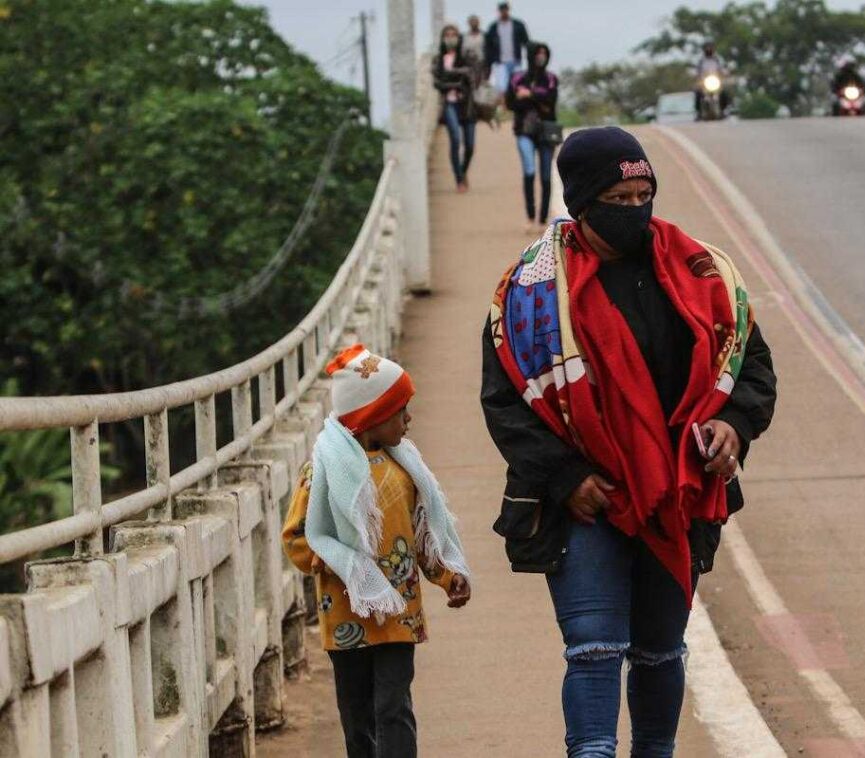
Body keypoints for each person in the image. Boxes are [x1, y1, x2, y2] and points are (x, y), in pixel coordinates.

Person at [480, 127, 777, 757]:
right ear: (582, 202)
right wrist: (566, 479)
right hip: (586, 500)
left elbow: (750, 366)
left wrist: (736, 426)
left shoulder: (704, 274)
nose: (634, 210)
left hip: (678, 496)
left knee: (661, 653)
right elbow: (506, 404)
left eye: (644, 194)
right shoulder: (529, 294)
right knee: (592, 649)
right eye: (617, 198)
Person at [282, 344, 471, 757]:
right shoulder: (322, 471)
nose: (408, 419)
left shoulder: (405, 467)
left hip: (400, 613)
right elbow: (298, 537)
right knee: (357, 716)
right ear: (371, 415)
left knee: (394, 707)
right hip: (346, 613)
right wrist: (344, 566)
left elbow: (424, 533)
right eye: (400, 410)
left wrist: (447, 575)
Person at [506, 42, 558, 233]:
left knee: (546, 176)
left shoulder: (551, 78)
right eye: (538, 53)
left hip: (546, 131)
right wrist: (536, 99)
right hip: (523, 130)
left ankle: (543, 219)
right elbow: (511, 103)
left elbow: (551, 102)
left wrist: (529, 95)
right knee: (529, 172)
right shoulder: (517, 77)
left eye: (544, 53)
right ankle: (529, 216)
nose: (541, 57)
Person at [433, 25, 476, 192]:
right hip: (449, 103)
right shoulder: (439, 60)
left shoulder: (466, 56)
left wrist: (451, 78)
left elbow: (471, 77)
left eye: (453, 35)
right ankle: (458, 180)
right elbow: (437, 82)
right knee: (455, 139)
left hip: (467, 105)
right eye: (447, 35)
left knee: (470, 146)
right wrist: (457, 81)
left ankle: (462, 171)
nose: (451, 38)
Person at [485, 2, 529, 96]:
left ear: (508, 10)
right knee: (501, 87)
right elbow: (489, 47)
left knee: (517, 85)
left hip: (515, 61)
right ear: (499, 11)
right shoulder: (493, 27)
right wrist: (488, 65)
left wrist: (529, 56)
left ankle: (515, 107)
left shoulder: (518, 25)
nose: (504, 12)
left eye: (505, 9)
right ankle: (503, 108)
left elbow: (526, 42)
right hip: (500, 62)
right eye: (502, 10)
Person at [693, 41, 731, 118]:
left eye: (710, 48)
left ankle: (723, 110)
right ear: (704, 50)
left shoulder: (717, 60)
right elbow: (697, 72)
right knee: (697, 93)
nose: (709, 49)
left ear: (713, 49)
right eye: (707, 48)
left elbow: (722, 69)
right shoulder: (701, 61)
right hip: (704, 83)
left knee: (724, 93)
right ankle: (698, 112)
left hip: (715, 81)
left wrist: (725, 73)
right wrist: (697, 77)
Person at [463, 14, 487, 84]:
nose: (473, 23)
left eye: (475, 21)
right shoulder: (464, 36)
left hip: (481, 63)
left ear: (479, 22)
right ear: (468, 23)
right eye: (472, 21)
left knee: (480, 83)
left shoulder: (484, 36)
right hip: (468, 64)